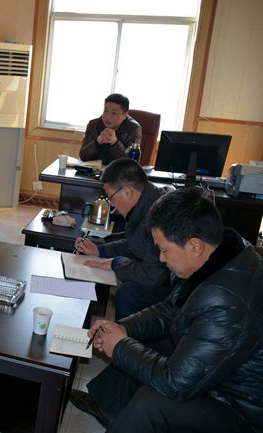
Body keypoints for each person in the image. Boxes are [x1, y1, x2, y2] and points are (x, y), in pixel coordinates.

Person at [70, 187, 263, 433]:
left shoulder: (227, 301)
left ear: (194, 246)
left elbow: (176, 384)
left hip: (239, 408)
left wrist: (120, 346)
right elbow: (171, 308)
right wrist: (123, 328)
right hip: (222, 373)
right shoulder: (222, 253)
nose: (161, 259)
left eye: (164, 250)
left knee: (151, 404)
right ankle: (108, 408)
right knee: (139, 344)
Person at [74, 158, 170, 319]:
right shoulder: (147, 202)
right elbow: (136, 244)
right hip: (162, 277)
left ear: (127, 192)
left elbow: (151, 276)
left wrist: (116, 263)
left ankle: (125, 333)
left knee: (128, 293)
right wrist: (99, 250)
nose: (112, 205)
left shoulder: (159, 216)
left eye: (110, 197)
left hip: (176, 290)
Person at [79, 93, 141, 165]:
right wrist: (97, 142)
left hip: (118, 171)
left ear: (125, 115)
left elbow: (129, 163)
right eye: (105, 111)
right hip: (94, 170)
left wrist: (115, 143)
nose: (107, 117)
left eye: (113, 113)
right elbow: (83, 157)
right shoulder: (93, 125)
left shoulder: (133, 129)